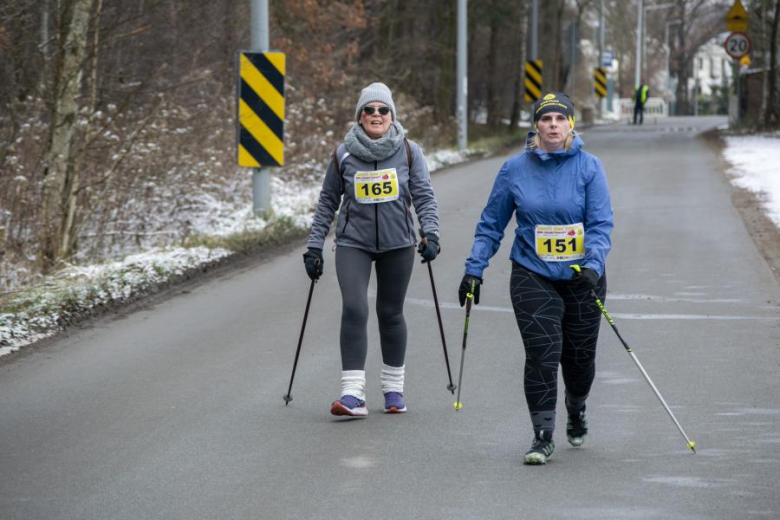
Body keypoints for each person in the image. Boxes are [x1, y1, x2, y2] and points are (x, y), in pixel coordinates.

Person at [458, 92, 613, 465]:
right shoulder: (514, 169)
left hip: (582, 276)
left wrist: (593, 263)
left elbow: (600, 224)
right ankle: (542, 435)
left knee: (578, 360)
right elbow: (491, 224)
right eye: (546, 119)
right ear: (537, 126)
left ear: (571, 124)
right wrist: (474, 268)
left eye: (561, 119)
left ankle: (576, 407)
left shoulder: (590, 167)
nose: (554, 125)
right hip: (532, 272)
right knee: (543, 354)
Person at [304, 82, 440, 418]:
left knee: (390, 313)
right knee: (354, 308)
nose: (375, 115)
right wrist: (314, 246)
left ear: (392, 115)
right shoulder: (343, 154)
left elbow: (423, 196)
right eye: (369, 110)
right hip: (354, 243)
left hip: (398, 244)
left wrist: (431, 234)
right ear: (360, 116)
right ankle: (352, 394)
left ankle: (394, 389)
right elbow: (327, 201)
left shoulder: (409, 151)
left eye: (382, 110)